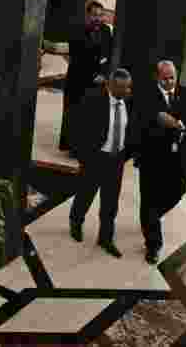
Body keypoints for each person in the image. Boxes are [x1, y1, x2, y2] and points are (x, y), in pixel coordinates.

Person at [137, 60, 186, 263]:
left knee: (178, 192)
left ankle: (150, 218)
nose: (169, 82)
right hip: (152, 158)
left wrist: (180, 124)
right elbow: (140, 120)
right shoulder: (146, 94)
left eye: (172, 78)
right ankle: (153, 244)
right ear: (157, 77)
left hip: (179, 158)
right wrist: (157, 121)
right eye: (165, 78)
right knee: (149, 199)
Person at [68, 68, 140, 258]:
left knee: (110, 202)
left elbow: (133, 129)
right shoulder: (93, 99)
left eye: (129, 87)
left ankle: (105, 238)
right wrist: (84, 157)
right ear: (111, 86)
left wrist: (126, 154)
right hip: (95, 157)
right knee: (86, 194)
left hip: (116, 159)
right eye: (123, 88)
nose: (127, 91)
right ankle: (76, 222)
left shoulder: (129, 102)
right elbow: (76, 127)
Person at [60, 1, 114, 154]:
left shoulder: (106, 31)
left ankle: (86, 146)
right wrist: (93, 75)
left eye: (100, 15)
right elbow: (77, 58)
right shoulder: (77, 30)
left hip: (98, 81)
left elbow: (108, 54)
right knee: (74, 114)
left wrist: (103, 74)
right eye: (94, 15)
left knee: (90, 117)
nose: (98, 18)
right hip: (78, 79)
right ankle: (72, 147)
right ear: (87, 15)